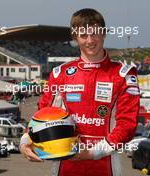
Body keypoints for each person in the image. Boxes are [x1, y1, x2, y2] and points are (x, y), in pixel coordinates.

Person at [19, 8, 140, 176]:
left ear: (104, 34)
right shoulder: (60, 73)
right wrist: (25, 141)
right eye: (83, 35)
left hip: (105, 164)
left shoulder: (123, 74)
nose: (90, 40)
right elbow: (42, 113)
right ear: (75, 38)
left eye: (95, 33)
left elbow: (127, 125)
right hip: (65, 164)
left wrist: (92, 153)